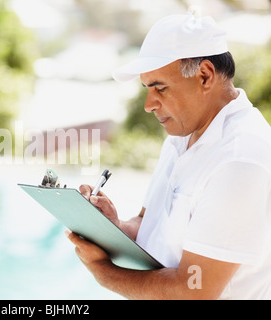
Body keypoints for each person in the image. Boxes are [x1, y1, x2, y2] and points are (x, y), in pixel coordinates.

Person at [66, 11, 271, 299]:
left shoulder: (240, 158)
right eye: (147, 88)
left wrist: (103, 271)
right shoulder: (182, 135)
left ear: (205, 76)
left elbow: (195, 290)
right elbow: (151, 226)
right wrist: (116, 227)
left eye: (160, 88)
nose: (149, 104)